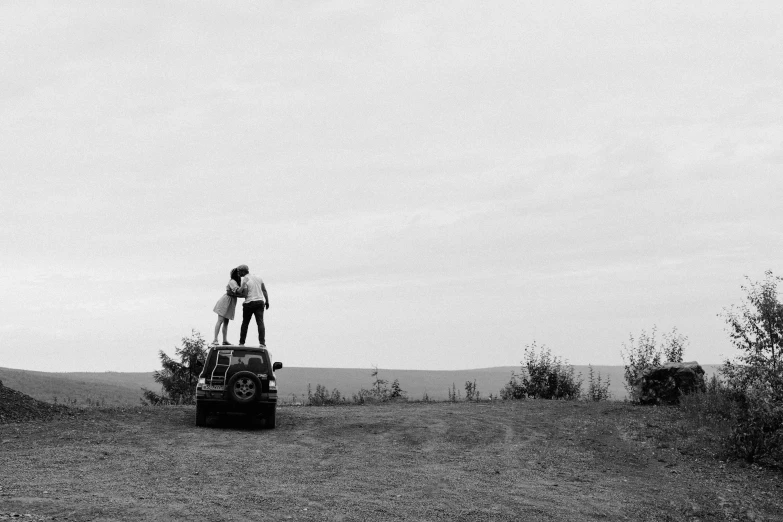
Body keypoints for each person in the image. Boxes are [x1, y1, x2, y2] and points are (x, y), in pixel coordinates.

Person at [236, 264, 269, 347]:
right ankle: (262, 342)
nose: (238, 273)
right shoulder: (258, 277)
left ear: (243, 271)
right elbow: (264, 290)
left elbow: (244, 293)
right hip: (259, 302)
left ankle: (241, 342)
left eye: (239, 271)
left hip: (249, 303)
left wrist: (236, 293)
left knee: (245, 323)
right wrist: (267, 301)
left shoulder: (245, 279)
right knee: (260, 322)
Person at [211, 268, 243, 345]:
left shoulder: (235, 282)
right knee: (220, 320)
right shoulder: (232, 281)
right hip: (225, 302)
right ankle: (215, 339)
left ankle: (224, 340)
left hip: (230, 303)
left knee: (226, 322)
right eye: (238, 273)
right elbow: (237, 291)